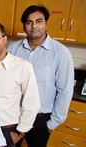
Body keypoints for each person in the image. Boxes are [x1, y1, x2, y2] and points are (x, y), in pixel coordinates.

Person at [8, 5, 74, 147]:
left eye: (39, 21)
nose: (34, 26)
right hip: (13, 116)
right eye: (29, 22)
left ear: (46, 24)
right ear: (24, 25)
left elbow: (65, 92)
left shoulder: (61, 53)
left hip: (40, 119)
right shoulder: (13, 48)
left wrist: (50, 125)